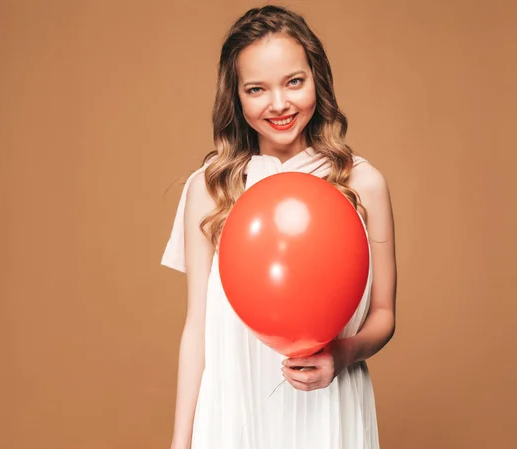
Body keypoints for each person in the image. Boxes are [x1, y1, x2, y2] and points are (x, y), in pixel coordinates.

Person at [161, 5, 397, 449]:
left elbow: (383, 315)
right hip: (234, 405)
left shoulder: (362, 182)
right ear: (236, 97)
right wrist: (180, 442)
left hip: (328, 402)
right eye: (256, 89)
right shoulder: (210, 189)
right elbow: (198, 329)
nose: (279, 104)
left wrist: (340, 356)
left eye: (294, 81)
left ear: (317, 79)